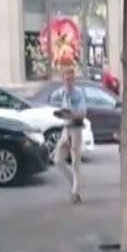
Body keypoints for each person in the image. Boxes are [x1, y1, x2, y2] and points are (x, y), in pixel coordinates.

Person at [53, 67, 86, 204]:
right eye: (67, 79)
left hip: (76, 128)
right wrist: (60, 114)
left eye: (71, 79)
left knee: (75, 161)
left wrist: (70, 114)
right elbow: (54, 103)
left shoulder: (78, 94)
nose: (69, 82)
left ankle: (75, 192)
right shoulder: (61, 93)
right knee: (57, 160)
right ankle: (75, 182)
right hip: (66, 128)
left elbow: (83, 113)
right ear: (63, 80)